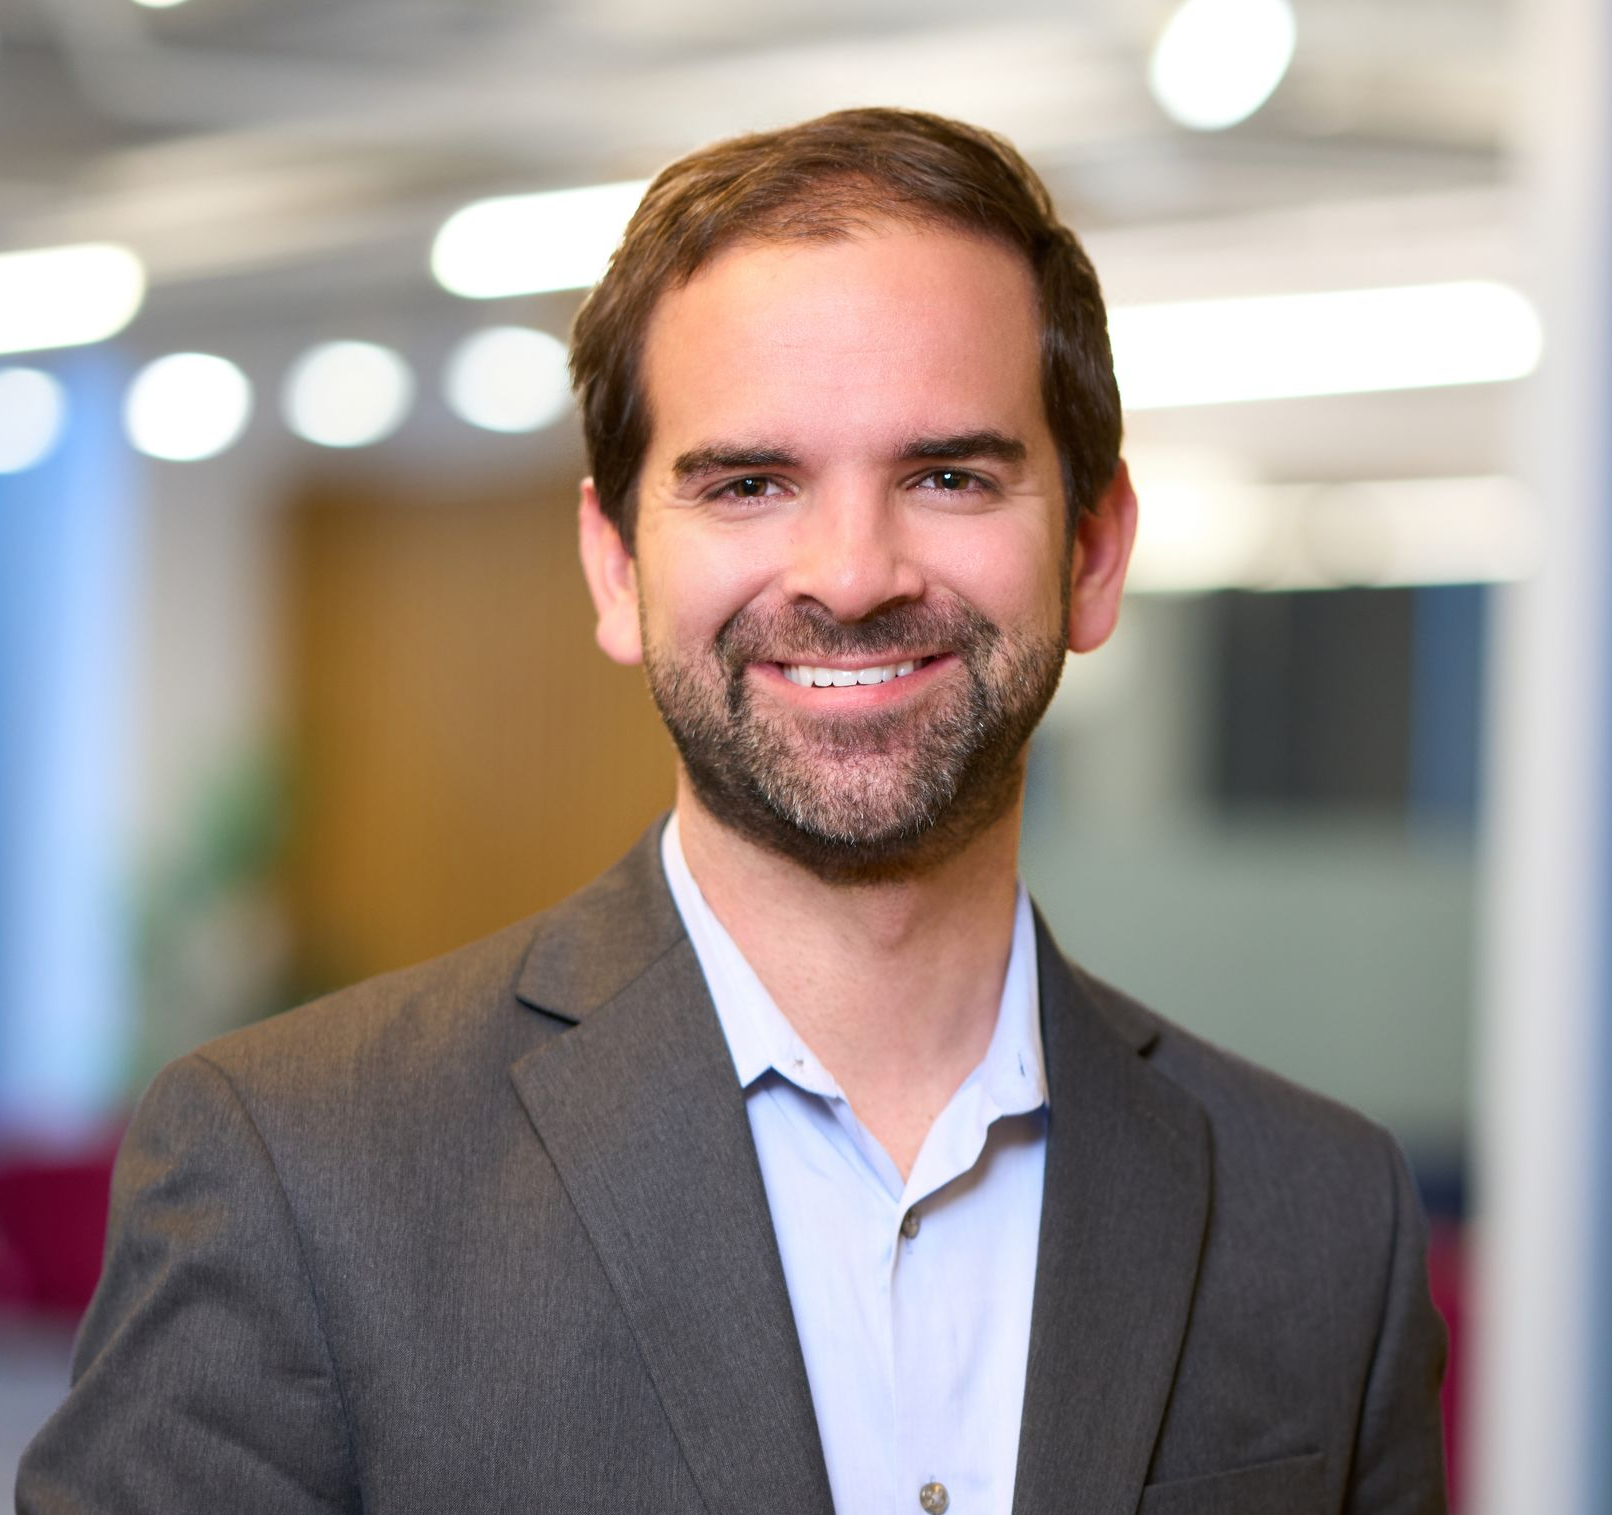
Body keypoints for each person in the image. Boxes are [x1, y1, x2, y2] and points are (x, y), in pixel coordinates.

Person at [18, 108, 1447, 1515]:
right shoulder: (298, 1171)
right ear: (614, 566)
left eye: (949, 476)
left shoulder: (1321, 1218)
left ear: (1093, 550)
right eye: (750, 483)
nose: (852, 573)